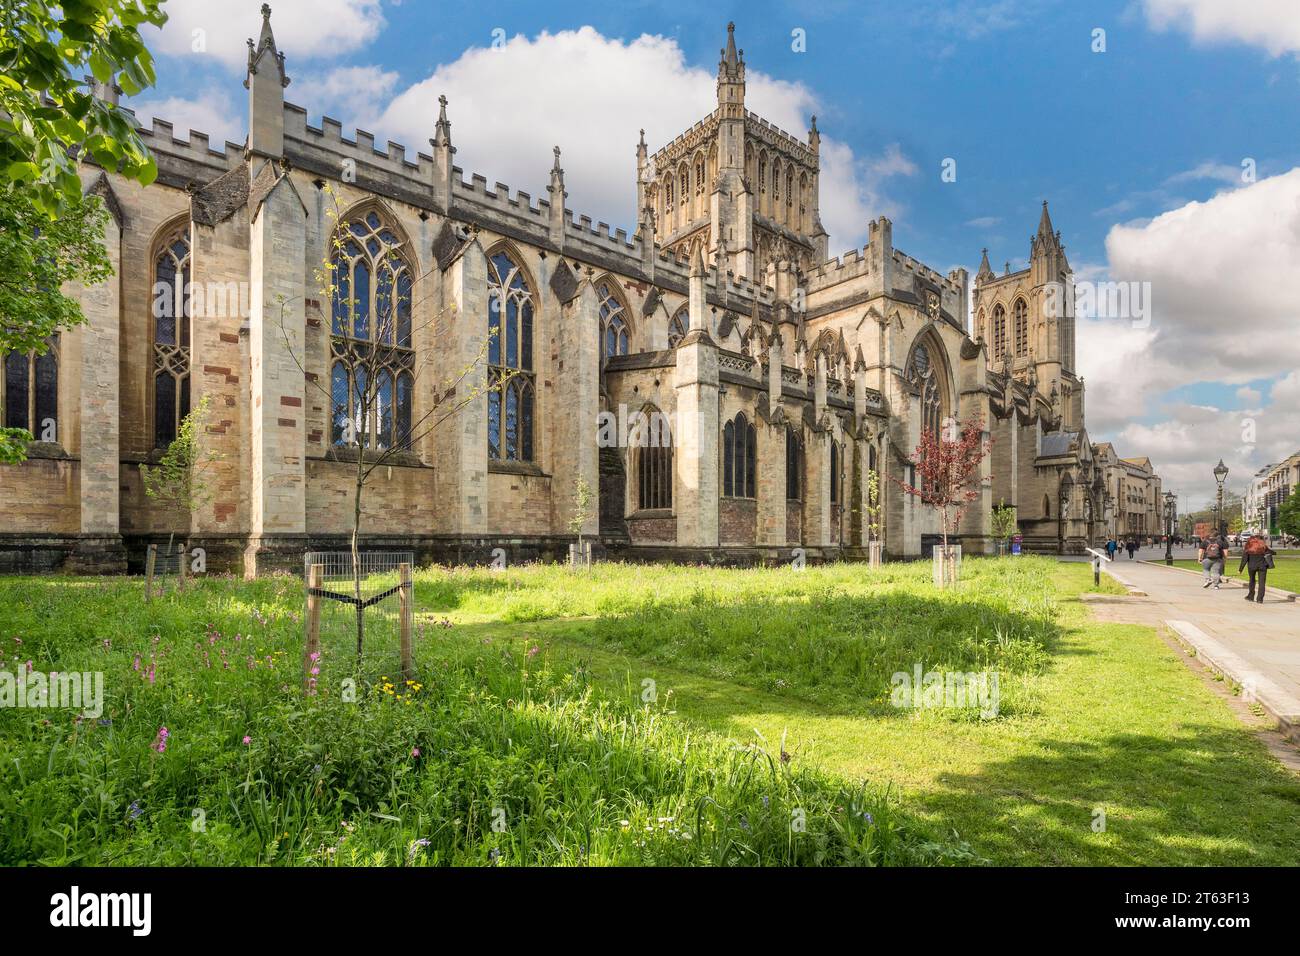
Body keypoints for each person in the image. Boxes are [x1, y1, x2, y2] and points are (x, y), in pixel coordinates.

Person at [1238, 534, 1276, 604]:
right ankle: (1260, 599)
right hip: (1262, 566)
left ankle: (1251, 596)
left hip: (1251, 566)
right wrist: (1272, 552)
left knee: (1252, 581)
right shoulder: (1263, 546)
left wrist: (1240, 569)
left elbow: (1244, 559)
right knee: (1262, 582)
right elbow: (1272, 552)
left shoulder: (1248, 547)